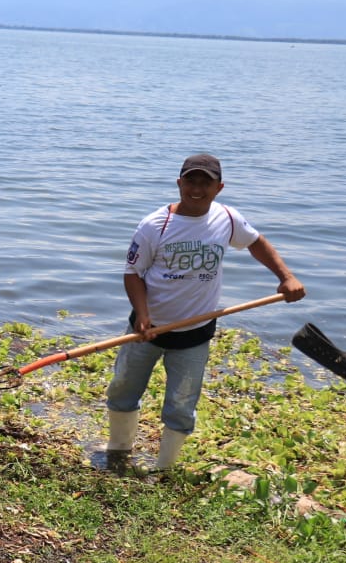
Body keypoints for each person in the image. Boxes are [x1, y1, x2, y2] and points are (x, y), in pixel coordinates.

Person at [105, 153, 305, 471]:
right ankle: (117, 453)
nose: (197, 188)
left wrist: (286, 277)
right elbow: (132, 274)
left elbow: (256, 242)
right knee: (122, 390)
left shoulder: (226, 219)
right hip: (147, 329)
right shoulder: (155, 225)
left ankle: (164, 470)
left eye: (205, 183)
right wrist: (141, 314)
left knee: (182, 405)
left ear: (219, 187)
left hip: (194, 334)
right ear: (179, 183)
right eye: (191, 181)